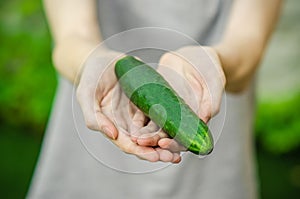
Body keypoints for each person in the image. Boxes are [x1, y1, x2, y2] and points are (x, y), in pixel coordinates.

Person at [27, 0, 282, 198]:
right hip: (92, 148)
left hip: (214, 172)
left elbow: (248, 43)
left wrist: (217, 62)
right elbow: (72, 36)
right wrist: (90, 61)